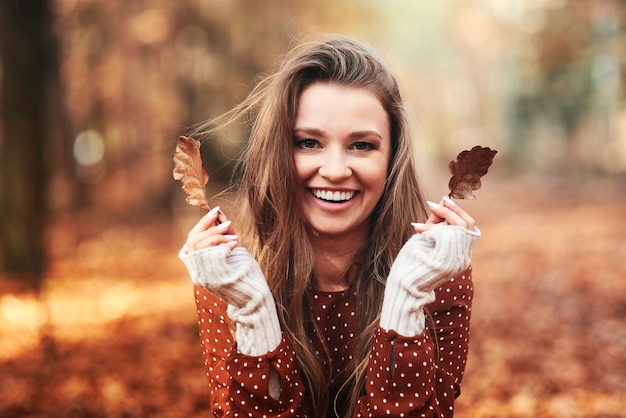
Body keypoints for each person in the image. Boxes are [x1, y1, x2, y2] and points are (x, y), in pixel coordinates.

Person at [178, 35, 480, 417]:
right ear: (278, 150)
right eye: (308, 142)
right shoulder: (230, 279)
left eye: (362, 146)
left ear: (392, 157)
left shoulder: (438, 277)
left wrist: (407, 296)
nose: (335, 171)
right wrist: (253, 310)